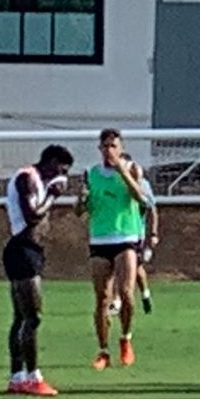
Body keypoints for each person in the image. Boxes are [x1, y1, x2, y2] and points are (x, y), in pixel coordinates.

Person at [3, 145, 74, 396]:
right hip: (23, 250)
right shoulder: (27, 178)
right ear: (51, 162)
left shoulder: (36, 181)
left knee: (21, 317)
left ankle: (17, 376)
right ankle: (32, 376)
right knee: (33, 317)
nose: (60, 175)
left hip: (29, 251)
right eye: (60, 169)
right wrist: (53, 196)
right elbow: (32, 215)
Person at [77, 128, 150, 369]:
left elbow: (142, 200)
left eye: (113, 146)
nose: (109, 150)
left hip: (126, 237)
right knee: (101, 298)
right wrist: (81, 200)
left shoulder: (132, 169)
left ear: (121, 148)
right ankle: (103, 351)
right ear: (99, 149)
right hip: (100, 239)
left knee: (127, 294)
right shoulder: (90, 174)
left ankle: (126, 339)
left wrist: (123, 173)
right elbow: (80, 211)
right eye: (105, 146)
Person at [132, 171, 157, 315]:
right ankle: (116, 301)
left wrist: (153, 234)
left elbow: (152, 209)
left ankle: (145, 293)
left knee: (135, 266)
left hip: (136, 233)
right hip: (116, 233)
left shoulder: (143, 184)